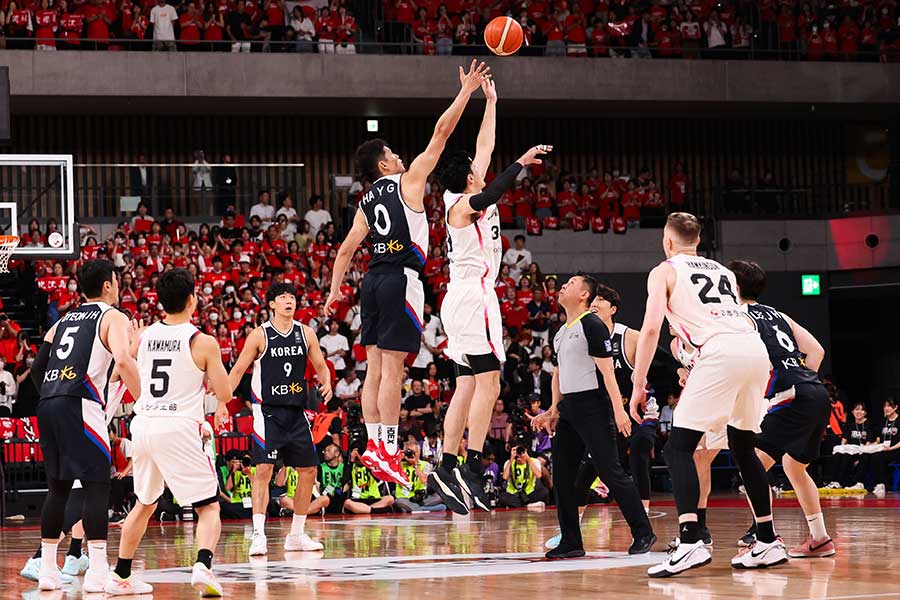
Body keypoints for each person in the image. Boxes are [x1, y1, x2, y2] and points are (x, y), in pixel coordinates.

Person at [324, 61, 491, 487]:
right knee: (394, 370)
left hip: (372, 282)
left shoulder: (364, 201)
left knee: (375, 367)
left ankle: (377, 446)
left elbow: (345, 250)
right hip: (400, 279)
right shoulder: (408, 181)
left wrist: (333, 292)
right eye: (392, 154)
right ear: (383, 164)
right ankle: (390, 449)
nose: (400, 156)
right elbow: (441, 134)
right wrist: (465, 93)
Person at [630, 213, 784, 577]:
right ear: (697, 241)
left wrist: (639, 383)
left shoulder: (664, 270)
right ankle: (766, 539)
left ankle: (689, 541)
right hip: (753, 350)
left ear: (668, 242)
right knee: (743, 447)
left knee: (678, 447)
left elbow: (651, 329)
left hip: (718, 353)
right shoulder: (724, 272)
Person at [430, 77, 551, 515]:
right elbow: (496, 188)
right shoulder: (463, 204)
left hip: (460, 298)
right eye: (476, 167)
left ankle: (446, 464)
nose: (483, 165)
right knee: (490, 381)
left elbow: (485, 142)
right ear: (468, 177)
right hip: (473, 296)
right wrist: (519, 163)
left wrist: (492, 100)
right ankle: (475, 465)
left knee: (466, 383)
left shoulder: (462, 191)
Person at [106, 269, 232, 596]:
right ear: (193, 300)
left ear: (161, 301)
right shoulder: (203, 342)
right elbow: (225, 392)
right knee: (208, 507)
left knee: (144, 504)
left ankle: (120, 574)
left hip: (144, 424)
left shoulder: (143, 336)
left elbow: (123, 369)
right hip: (178, 426)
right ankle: (203, 565)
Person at [32, 260, 141, 592]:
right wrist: (146, 402)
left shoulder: (63, 319)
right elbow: (123, 360)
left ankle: (49, 571)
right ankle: (96, 570)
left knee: (59, 488)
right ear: (108, 285)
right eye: (117, 281)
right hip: (81, 403)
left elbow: (38, 367)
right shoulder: (113, 316)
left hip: (48, 403)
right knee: (97, 486)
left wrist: (56, 394)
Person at [532, 274, 655, 559]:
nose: (563, 286)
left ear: (584, 295)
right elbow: (559, 375)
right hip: (570, 410)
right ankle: (572, 542)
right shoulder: (561, 331)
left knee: (611, 471)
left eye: (571, 283)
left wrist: (619, 410)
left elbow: (607, 372)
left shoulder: (592, 324)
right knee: (562, 476)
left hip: (594, 407)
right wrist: (553, 409)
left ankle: (643, 532)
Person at [728, 260, 835, 558]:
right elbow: (816, 351)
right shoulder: (779, 314)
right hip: (815, 391)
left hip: (791, 394)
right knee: (794, 466)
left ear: (733, 288)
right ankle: (820, 538)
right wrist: (801, 380)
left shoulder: (736, 316)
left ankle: (764, 537)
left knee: (752, 462)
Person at [228, 282, 334, 557]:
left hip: (296, 413)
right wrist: (220, 402)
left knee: (309, 471)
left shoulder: (306, 333)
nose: (289, 301)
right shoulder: (259, 335)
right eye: (283, 297)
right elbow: (239, 369)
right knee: (263, 470)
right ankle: (258, 534)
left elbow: (321, 366)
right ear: (272, 304)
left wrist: (327, 383)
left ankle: (297, 534)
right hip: (268, 412)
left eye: (292, 297)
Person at [395, 441, 446, 512]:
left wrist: (415, 465)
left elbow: (424, 480)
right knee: (399, 501)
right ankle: (426, 509)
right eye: (409, 453)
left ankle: (414, 509)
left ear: (419, 452)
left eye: (414, 452)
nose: (412, 455)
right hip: (404, 498)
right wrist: (399, 457)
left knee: (440, 495)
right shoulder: (398, 464)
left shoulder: (426, 465)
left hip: (421, 499)